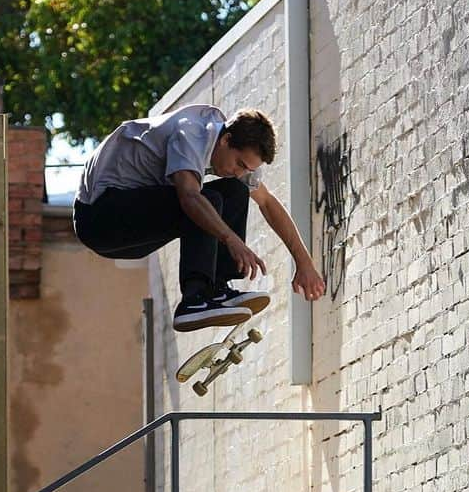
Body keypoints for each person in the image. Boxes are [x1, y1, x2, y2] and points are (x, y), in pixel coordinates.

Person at [72, 104, 326, 330]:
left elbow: (268, 203)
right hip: (99, 218)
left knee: (234, 190)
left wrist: (304, 263)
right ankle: (194, 299)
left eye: (247, 169)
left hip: (133, 224)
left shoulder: (227, 145)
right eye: (239, 164)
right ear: (226, 140)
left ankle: (217, 288)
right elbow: (189, 199)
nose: (239, 171)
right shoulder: (191, 133)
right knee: (206, 201)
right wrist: (231, 240)